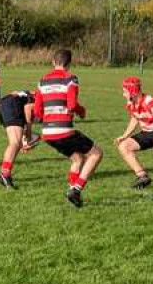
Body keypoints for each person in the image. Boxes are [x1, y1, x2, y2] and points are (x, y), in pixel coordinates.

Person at [34, 49, 102, 208]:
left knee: (77, 159)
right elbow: (71, 104)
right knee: (96, 153)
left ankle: (73, 195)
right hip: (63, 130)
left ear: (53, 62)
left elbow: (37, 112)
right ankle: (77, 189)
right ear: (69, 64)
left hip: (47, 134)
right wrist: (81, 111)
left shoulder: (42, 81)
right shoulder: (70, 79)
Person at [0, 89, 39, 189]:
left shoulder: (42, 93)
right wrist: (28, 130)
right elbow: (28, 108)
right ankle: (4, 174)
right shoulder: (48, 99)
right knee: (15, 143)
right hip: (12, 104)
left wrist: (25, 139)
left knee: (16, 142)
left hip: (5, 103)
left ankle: (3, 174)